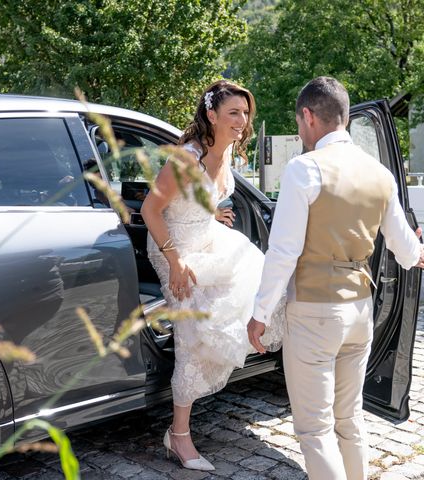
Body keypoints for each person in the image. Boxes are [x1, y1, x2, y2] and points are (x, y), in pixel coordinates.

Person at [247, 76, 424, 480]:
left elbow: (284, 251)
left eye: (298, 121)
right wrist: (418, 252)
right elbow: (404, 247)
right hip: (361, 311)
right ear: (344, 118)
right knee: (349, 418)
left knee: (314, 428)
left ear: (308, 116)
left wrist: (260, 312)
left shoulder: (304, 169)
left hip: (313, 313)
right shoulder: (380, 174)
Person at [141, 80, 284, 471]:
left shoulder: (227, 154)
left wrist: (211, 214)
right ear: (211, 115)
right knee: (194, 329)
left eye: (245, 113)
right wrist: (174, 263)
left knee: (255, 272)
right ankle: (179, 435)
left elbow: (200, 200)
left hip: (204, 236)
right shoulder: (186, 158)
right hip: (173, 248)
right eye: (233, 113)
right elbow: (150, 211)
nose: (242, 120)